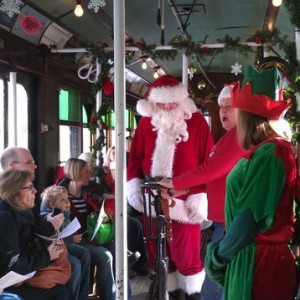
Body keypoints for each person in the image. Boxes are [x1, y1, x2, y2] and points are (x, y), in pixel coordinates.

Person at [205, 65, 297, 300]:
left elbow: (249, 216)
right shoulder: (265, 152)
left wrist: (218, 256)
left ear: (246, 115)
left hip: (259, 265)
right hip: (252, 260)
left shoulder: (271, 152)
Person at [127, 75, 214, 299]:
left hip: (186, 200)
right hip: (152, 196)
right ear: (153, 103)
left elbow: (209, 163)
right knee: (159, 254)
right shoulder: (146, 123)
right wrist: (133, 185)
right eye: (161, 103)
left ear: (182, 101)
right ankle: (173, 294)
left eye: (172, 102)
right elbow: (135, 158)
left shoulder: (197, 122)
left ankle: (193, 294)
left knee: (186, 255)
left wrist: (197, 193)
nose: (166, 107)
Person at [158, 84, 247, 300]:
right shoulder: (228, 137)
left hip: (229, 223)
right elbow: (215, 177)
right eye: (221, 107)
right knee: (219, 285)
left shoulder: (238, 136)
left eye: (229, 107)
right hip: (223, 221)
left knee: (214, 287)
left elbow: (210, 169)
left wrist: (174, 182)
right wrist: (185, 189)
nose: (223, 111)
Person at [0, 147, 83, 300]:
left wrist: (51, 242)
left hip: (25, 270)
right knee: (62, 289)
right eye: (30, 187)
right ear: (15, 192)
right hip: (10, 281)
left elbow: (33, 233)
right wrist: (47, 254)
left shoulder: (23, 208)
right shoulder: (5, 217)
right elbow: (11, 264)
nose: (36, 191)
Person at [57, 157, 120, 300]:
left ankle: (124, 295)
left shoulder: (88, 192)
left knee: (117, 249)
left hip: (91, 234)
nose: (90, 174)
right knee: (106, 257)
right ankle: (110, 297)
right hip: (75, 239)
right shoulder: (61, 195)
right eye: (86, 171)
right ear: (76, 173)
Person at [78, 152, 150, 277]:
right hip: (99, 218)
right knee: (127, 224)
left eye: (94, 163)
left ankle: (139, 262)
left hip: (109, 212)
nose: (93, 166)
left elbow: (110, 190)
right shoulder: (82, 184)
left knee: (135, 223)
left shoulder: (100, 177)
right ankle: (128, 261)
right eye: (90, 164)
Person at [40, 185, 91, 300]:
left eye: (68, 198)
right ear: (52, 205)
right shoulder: (51, 217)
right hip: (54, 249)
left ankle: (82, 296)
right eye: (63, 200)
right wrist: (71, 239)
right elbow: (54, 238)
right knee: (76, 264)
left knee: (85, 253)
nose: (68, 202)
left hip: (64, 245)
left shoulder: (65, 214)